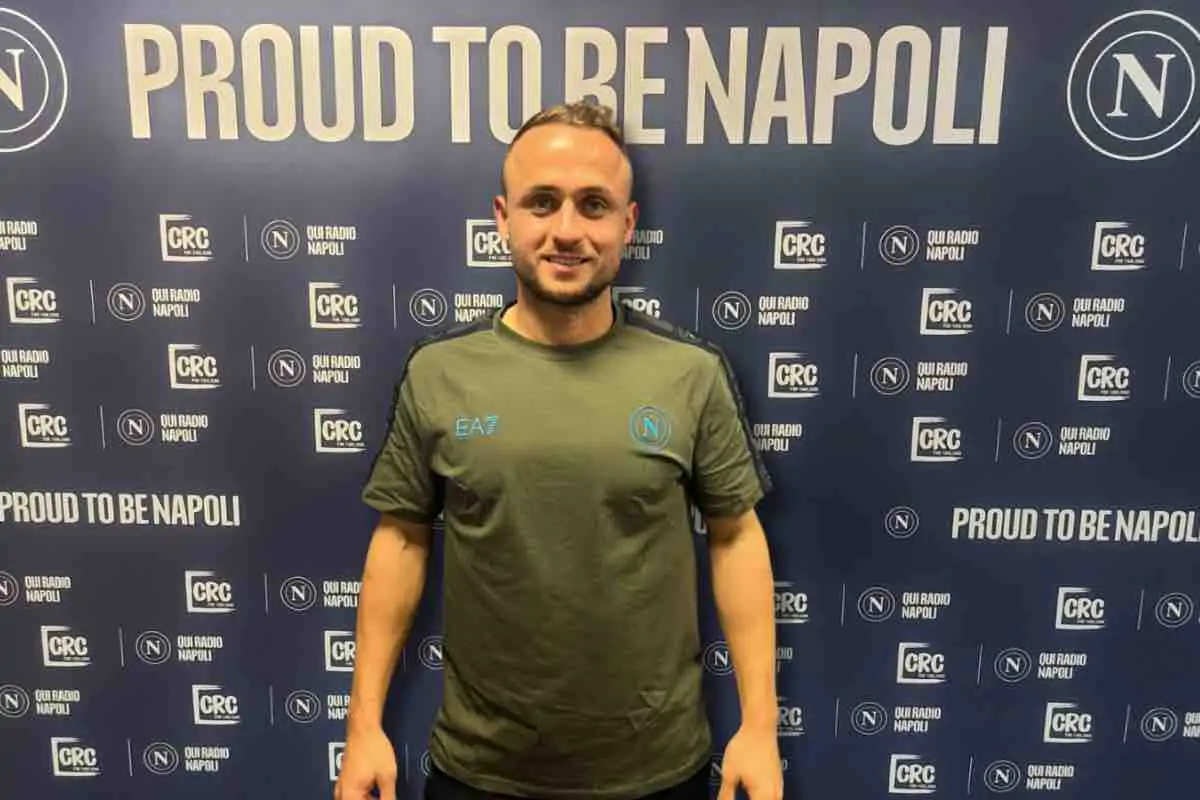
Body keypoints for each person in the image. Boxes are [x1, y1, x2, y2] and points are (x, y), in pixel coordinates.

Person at [334, 101, 784, 800]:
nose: (567, 230)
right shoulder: (439, 372)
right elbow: (401, 539)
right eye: (541, 202)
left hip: (658, 773)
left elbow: (735, 536)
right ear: (503, 217)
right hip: (480, 772)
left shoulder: (690, 374)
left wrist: (759, 727)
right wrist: (364, 725)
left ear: (627, 224)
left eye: (593, 205)